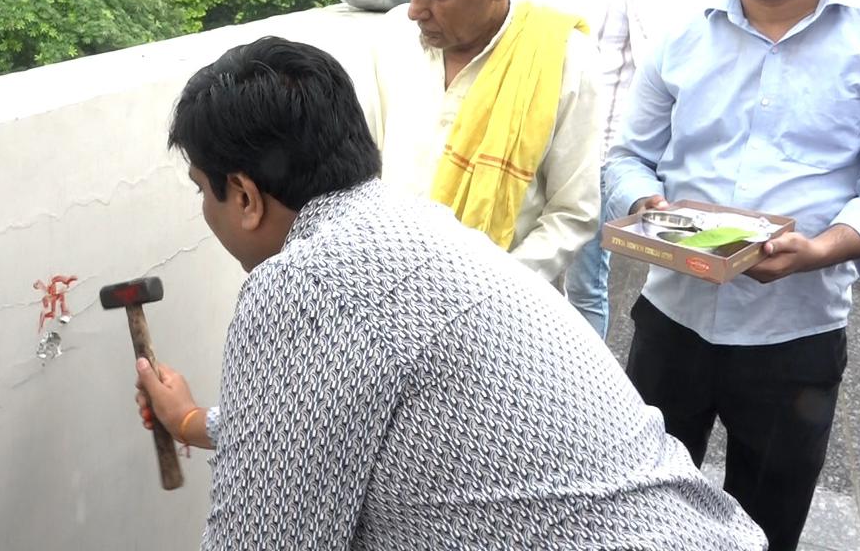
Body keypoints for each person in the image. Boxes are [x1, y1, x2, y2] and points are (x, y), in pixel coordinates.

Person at [135, 36, 766, 549]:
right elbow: (325, 428)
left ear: (245, 197)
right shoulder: (413, 223)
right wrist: (194, 422)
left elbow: (262, 537)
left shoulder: (306, 280)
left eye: (202, 189)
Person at [605, 0, 860, 551]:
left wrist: (819, 249)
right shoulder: (684, 38)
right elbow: (629, 157)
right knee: (640, 507)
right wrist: (646, 209)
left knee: (767, 521)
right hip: (672, 319)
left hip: (795, 335)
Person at [360, 0, 600, 287]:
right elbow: (362, 167)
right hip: (384, 282)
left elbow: (572, 214)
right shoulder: (393, 36)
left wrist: (483, 290)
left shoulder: (562, 58)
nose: (415, 9)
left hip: (497, 299)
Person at [521, 0, 673, 337]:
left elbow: (659, 75)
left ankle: (586, 381)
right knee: (527, 273)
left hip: (595, 161)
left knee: (585, 285)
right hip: (532, 150)